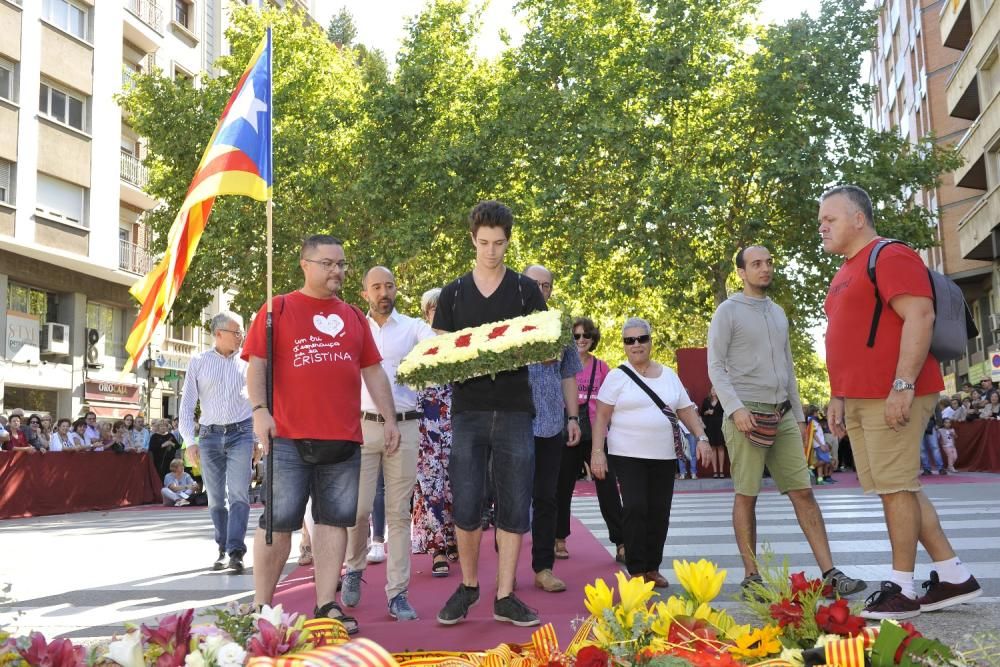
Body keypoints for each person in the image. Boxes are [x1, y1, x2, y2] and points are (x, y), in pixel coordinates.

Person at [819, 184, 982, 619]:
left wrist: (902, 385)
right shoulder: (845, 271)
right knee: (900, 488)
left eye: (829, 219)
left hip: (891, 392)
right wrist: (837, 394)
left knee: (895, 489)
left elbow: (920, 315)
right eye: (820, 222)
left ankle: (902, 589)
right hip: (860, 395)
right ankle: (952, 575)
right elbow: (846, 339)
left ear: (858, 218)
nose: (822, 228)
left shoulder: (888, 255)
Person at [245, 234, 399, 635]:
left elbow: (373, 371)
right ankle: (263, 606)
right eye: (328, 263)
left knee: (334, 523)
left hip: (344, 439)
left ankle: (327, 605)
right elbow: (256, 365)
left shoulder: (352, 316)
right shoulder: (275, 309)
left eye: (342, 264)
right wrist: (260, 411)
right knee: (277, 524)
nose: (337, 271)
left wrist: (390, 417)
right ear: (305, 265)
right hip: (290, 437)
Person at [706, 244, 866, 599]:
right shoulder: (727, 312)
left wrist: (796, 416)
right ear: (742, 273)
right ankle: (751, 576)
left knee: (804, 491)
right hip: (745, 413)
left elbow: (788, 368)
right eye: (756, 264)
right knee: (746, 494)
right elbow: (715, 366)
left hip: (782, 415)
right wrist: (735, 409)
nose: (765, 269)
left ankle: (829, 572)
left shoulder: (778, 313)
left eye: (769, 262)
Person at [431, 201, 547, 627]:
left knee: (516, 501)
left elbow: (546, 346)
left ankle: (505, 595)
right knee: (465, 500)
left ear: (508, 241)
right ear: (472, 239)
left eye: (499, 243)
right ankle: (468, 586)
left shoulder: (524, 290)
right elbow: (441, 353)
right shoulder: (454, 293)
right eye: (484, 243)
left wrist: (523, 348)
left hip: (516, 410)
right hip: (468, 411)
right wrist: (473, 358)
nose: (491, 251)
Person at [341, 265, 435, 622]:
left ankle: (397, 594)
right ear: (365, 293)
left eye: (389, 286)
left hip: (406, 428)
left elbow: (437, 348)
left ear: (397, 290)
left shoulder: (414, 328)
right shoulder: (353, 328)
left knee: (398, 515)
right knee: (359, 509)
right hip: (362, 428)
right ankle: (353, 568)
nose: (384, 292)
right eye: (376, 287)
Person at [590, 317, 708, 587]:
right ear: (624, 345)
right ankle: (637, 568)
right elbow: (601, 417)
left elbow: (686, 410)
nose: (636, 345)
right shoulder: (616, 376)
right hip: (627, 454)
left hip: (664, 455)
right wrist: (598, 451)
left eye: (641, 339)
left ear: (650, 342)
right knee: (635, 507)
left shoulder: (669, 375)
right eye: (629, 340)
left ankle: (653, 567)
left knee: (659, 511)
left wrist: (702, 437)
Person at [180, 311, 255, 575]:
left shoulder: (249, 360)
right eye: (236, 332)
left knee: (239, 494)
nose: (241, 336)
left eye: (242, 331)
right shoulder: (198, 361)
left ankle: (236, 551)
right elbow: (187, 403)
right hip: (210, 436)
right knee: (215, 499)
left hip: (242, 433)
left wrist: (256, 437)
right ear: (219, 334)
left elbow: (259, 400)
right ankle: (222, 548)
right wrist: (190, 441)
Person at [523, 264, 582, 594]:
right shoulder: (504, 323)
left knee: (546, 498)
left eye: (546, 285)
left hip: (550, 425)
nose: (541, 290)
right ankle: (506, 574)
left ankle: (543, 567)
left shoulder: (560, 325)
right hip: (511, 425)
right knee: (512, 500)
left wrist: (573, 419)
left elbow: (568, 374)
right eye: (535, 284)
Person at [555, 317, 625, 564]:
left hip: (596, 436)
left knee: (607, 487)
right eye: (576, 336)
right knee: (562, 488)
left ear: (593, 339)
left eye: (586, 336)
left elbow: (612, 404)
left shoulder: (602, 367)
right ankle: (559, 538)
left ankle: (621, 542)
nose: (581, 340)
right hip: (568, 433)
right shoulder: (561, 365)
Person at [411, 287, 458, 575]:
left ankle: (454, 539)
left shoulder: (466, 345)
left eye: (444, 308)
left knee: (456, 486)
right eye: (433, 308)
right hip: (425, 426)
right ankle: (437, 548)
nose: (438, 314)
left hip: (459, 424)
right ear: (426, 314)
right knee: (430, 486)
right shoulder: (416, 344)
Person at [700, 388, 726, 477]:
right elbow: (701, 413)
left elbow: (726, 412)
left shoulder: (723, 399)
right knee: (713, 448)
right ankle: (715, 471)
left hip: (720, 426)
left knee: (721, 447)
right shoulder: (706, 400)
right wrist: (707, 412)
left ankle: (721, 471)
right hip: (710, 426)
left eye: (715, 389)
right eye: (712, 389)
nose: (713, 391)